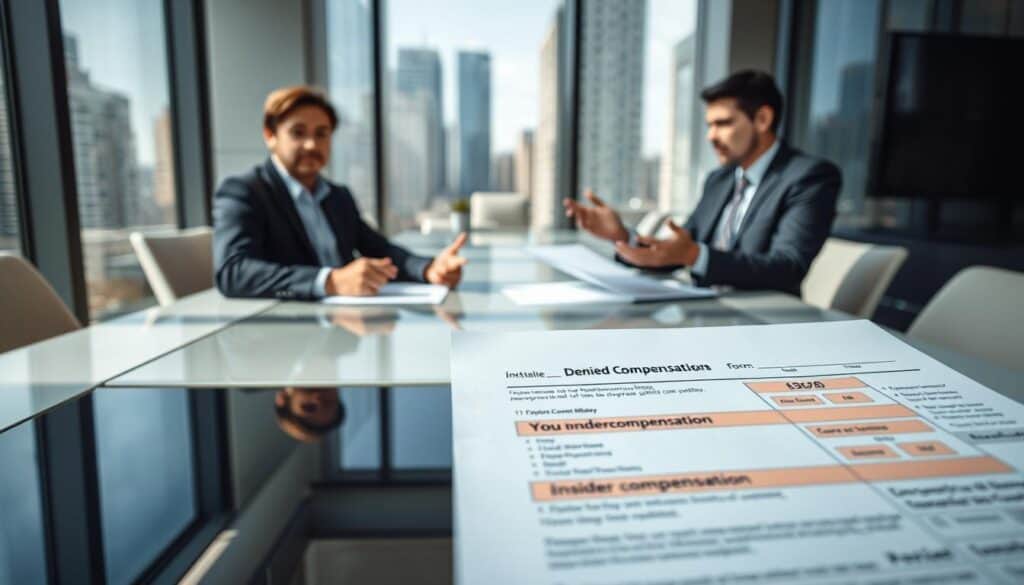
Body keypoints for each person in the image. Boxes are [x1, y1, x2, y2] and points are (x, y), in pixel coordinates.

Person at [564, 70, 841, 296]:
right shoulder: (719, 180)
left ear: (763, 119)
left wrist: (695, 256)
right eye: (709, 125)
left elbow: (787, 267)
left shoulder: (809, 177)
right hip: (706, 314)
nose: (711, 136)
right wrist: (623, 236)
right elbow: (677, 251)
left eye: (723, 123)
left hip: (766, 325)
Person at [214, 85, 467, 300]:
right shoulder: (244, 191)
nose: (311, 144)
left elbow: (380, 250)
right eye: (298, 133)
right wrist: (329, 281)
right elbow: (234, 272)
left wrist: (429, 269)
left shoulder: (338, 196)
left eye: (321, 134)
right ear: (270, 135)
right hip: (282, 335)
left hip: (342, 328)